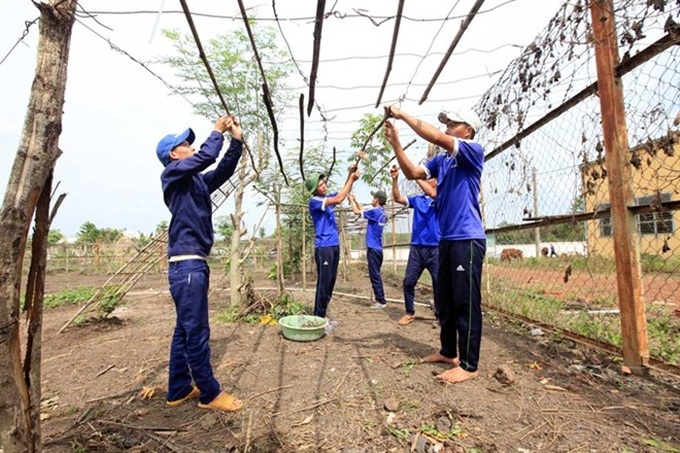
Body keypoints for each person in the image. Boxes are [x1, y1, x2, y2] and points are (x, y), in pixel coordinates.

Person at [384, 105, 486, 384]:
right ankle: (448, 352)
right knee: (445, 300)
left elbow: (438, 139)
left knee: (466, 301)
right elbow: (412, 173)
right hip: (447, 239)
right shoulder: (442, 162)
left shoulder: (472, 150)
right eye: (447, 123)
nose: (447, 128)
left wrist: (402, 115)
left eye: (453, 123)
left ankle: (469, 364)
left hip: (467, 238)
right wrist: (396, 144)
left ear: (468, 130)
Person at [156, 114, 244, 411]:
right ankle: (209, 393)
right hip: (188, 264)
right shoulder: (172, 174)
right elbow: (205, 157)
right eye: (186, 144)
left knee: (184, 328)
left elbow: (223, 169)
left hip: (191, 264)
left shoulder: (193, 182)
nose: (191, 148)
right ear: (173, 155)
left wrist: (237, 140)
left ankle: (178, 388)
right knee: (197, 331)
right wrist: (216, 131)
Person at [304, 165, 360, 325]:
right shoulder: (315, 201)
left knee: (331, 281)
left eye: (324, 183)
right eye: (321, 185)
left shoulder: (326, 199)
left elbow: (343, 192)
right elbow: (339, 198)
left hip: (333, 245)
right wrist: (352, 178)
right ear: (314, 189)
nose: (324, 186)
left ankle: (322, 315)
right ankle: (318, 318)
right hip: (324, 247)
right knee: (324, 282)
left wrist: (350, 173)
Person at [389, 164, 440, 326]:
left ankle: (441, 315)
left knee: (439, 283)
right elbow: (397, 198)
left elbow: (433, 193)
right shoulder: (417, 200)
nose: (431, 180)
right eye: (430, 177)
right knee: (409, 282)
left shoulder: (441, 196)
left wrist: (416, 177)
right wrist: (395, 180)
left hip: (436, 249)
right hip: (417, 249)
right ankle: (409, 312)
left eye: (432, 178)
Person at [348, 189, 388, 309]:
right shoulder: (381, 212)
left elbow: (356, 212)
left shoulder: (375, 212)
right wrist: (355, 200)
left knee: (374, 275)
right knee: (376, 274)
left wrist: (350, 201)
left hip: (373, 248)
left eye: (373, 197)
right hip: (378, 249)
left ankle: (381, 301)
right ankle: (380, 299)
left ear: (376, 200)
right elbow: (362, 211)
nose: (372, 199)